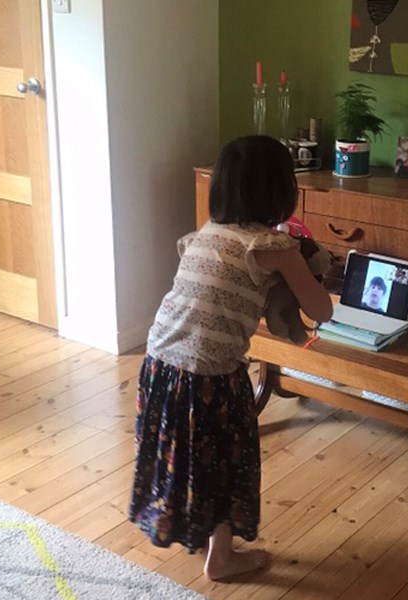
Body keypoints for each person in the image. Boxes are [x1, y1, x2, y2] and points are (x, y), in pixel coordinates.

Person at [128, 135, 333, 582]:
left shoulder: (207, 232)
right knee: (224, 461)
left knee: (186, 454)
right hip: (209, 375)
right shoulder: (273, 247)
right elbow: (322, 311)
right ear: (281, 192)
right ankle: (221, 557)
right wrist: (312, 267)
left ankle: (193, 528)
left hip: (160, 361)